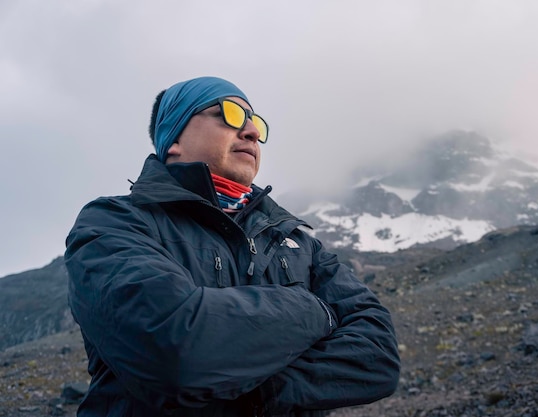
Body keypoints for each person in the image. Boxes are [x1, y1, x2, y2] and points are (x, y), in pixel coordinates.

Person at [64, 76, 400, 417]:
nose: (251, 132)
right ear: (175, 137)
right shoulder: (115, 221)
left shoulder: (299, 242)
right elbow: (176, 349)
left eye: (255, 123)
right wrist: (317, 310)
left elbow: (378, 358)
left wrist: (249, 394)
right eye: (230, 115)